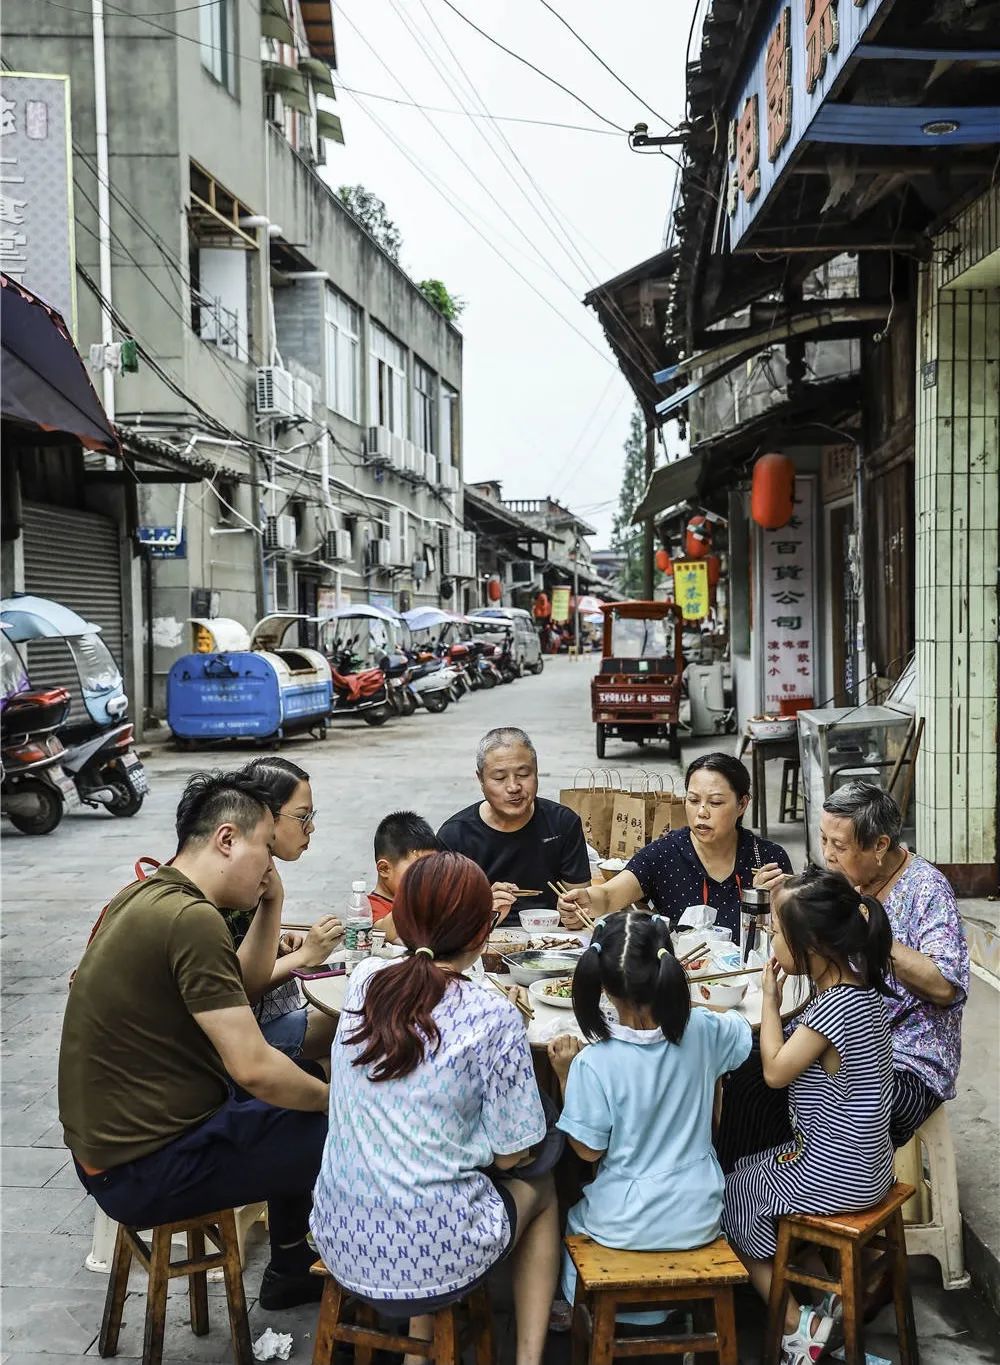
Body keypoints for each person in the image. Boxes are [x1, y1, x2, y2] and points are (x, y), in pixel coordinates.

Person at [59, 771, 329, 1310]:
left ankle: (296, 1263)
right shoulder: (193, 918)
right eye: (264, 851)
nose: (268, 870)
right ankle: (378, 1290)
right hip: (143, 1169)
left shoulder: (145, 893)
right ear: (226, 839)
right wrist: (347, 1105)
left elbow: (244, 1002)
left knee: (304, 1094)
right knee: (344, 1131)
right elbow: (253, 1066)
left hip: (107, 1151)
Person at [310, 851, 560, 1365]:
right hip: (438, 1255)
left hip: (340, 1239)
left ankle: (420, 1353)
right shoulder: (493, 1014)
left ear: (401, 921)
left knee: (426, 1175)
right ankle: (529, 1360)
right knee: (545, 1180)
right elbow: (514, 1155)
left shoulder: (362, 983)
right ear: (480, 934)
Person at [723, 867, 896, 1365]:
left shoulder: (833, 1007)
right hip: (869, 1165)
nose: (772, 942)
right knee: (747, 1169)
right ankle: (830, 1299)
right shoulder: (859, 988)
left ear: (812, 944)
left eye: (777, 933)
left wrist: (772, 1003)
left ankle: (800, 1328)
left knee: (725, 1194)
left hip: (838, 1172)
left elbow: (776, 1071)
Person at [548, 911, 751, 1322]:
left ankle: (586, 1313)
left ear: (603, 988)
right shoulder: (705, 1031)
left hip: (624, 1223)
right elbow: (742, 1035)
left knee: (572, 1218)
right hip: (699, 1214)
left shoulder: (593, 1063)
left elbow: (587, 1151)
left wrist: (565, 1075)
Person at [806, 782, 966, 1146]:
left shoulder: (926, 889)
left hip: (908, 1057)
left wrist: (872, 933)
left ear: (879, 845)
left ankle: (832, 1189)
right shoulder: (848, 879)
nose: (827, 855)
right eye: (824, 840)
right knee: (750, 1068)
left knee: (805, 1094)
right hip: (845, 1038)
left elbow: (945, 986)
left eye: (839, 846)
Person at [559, 753, 793, 939]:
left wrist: (767, 903)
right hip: (680, 979)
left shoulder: (767, 858)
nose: (701, 812)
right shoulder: (664, 853)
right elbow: (609, 895)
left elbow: (792, 935)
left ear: (742, 804)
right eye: (693, 800)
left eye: (715, 802)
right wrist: (585, 902)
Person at [224, 757, 343, 1062]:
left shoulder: (258, 873)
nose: (311, 827)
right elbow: (238, 988)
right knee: (357, 1025)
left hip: (253, 1020)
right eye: (303, 816)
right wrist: (306, 956)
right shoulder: (233, 885)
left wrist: (276, 946)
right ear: (265, 815)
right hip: (233, 1044)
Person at [438, 727, 591, 927]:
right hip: (482, 940)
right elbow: (442, 920)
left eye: (523, 774)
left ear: (536, 771)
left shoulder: (563, 823)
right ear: (481, 780)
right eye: (500, 778)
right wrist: (482, 910)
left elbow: (582, 905)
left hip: (554, 938)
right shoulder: (455, 836)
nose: (513, 787)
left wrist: (573, 915)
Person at [367, 809, 442, 942]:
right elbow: (387, 933)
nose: (426, 877)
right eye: (417, 870)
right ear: (384, 869)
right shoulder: (368, 908)